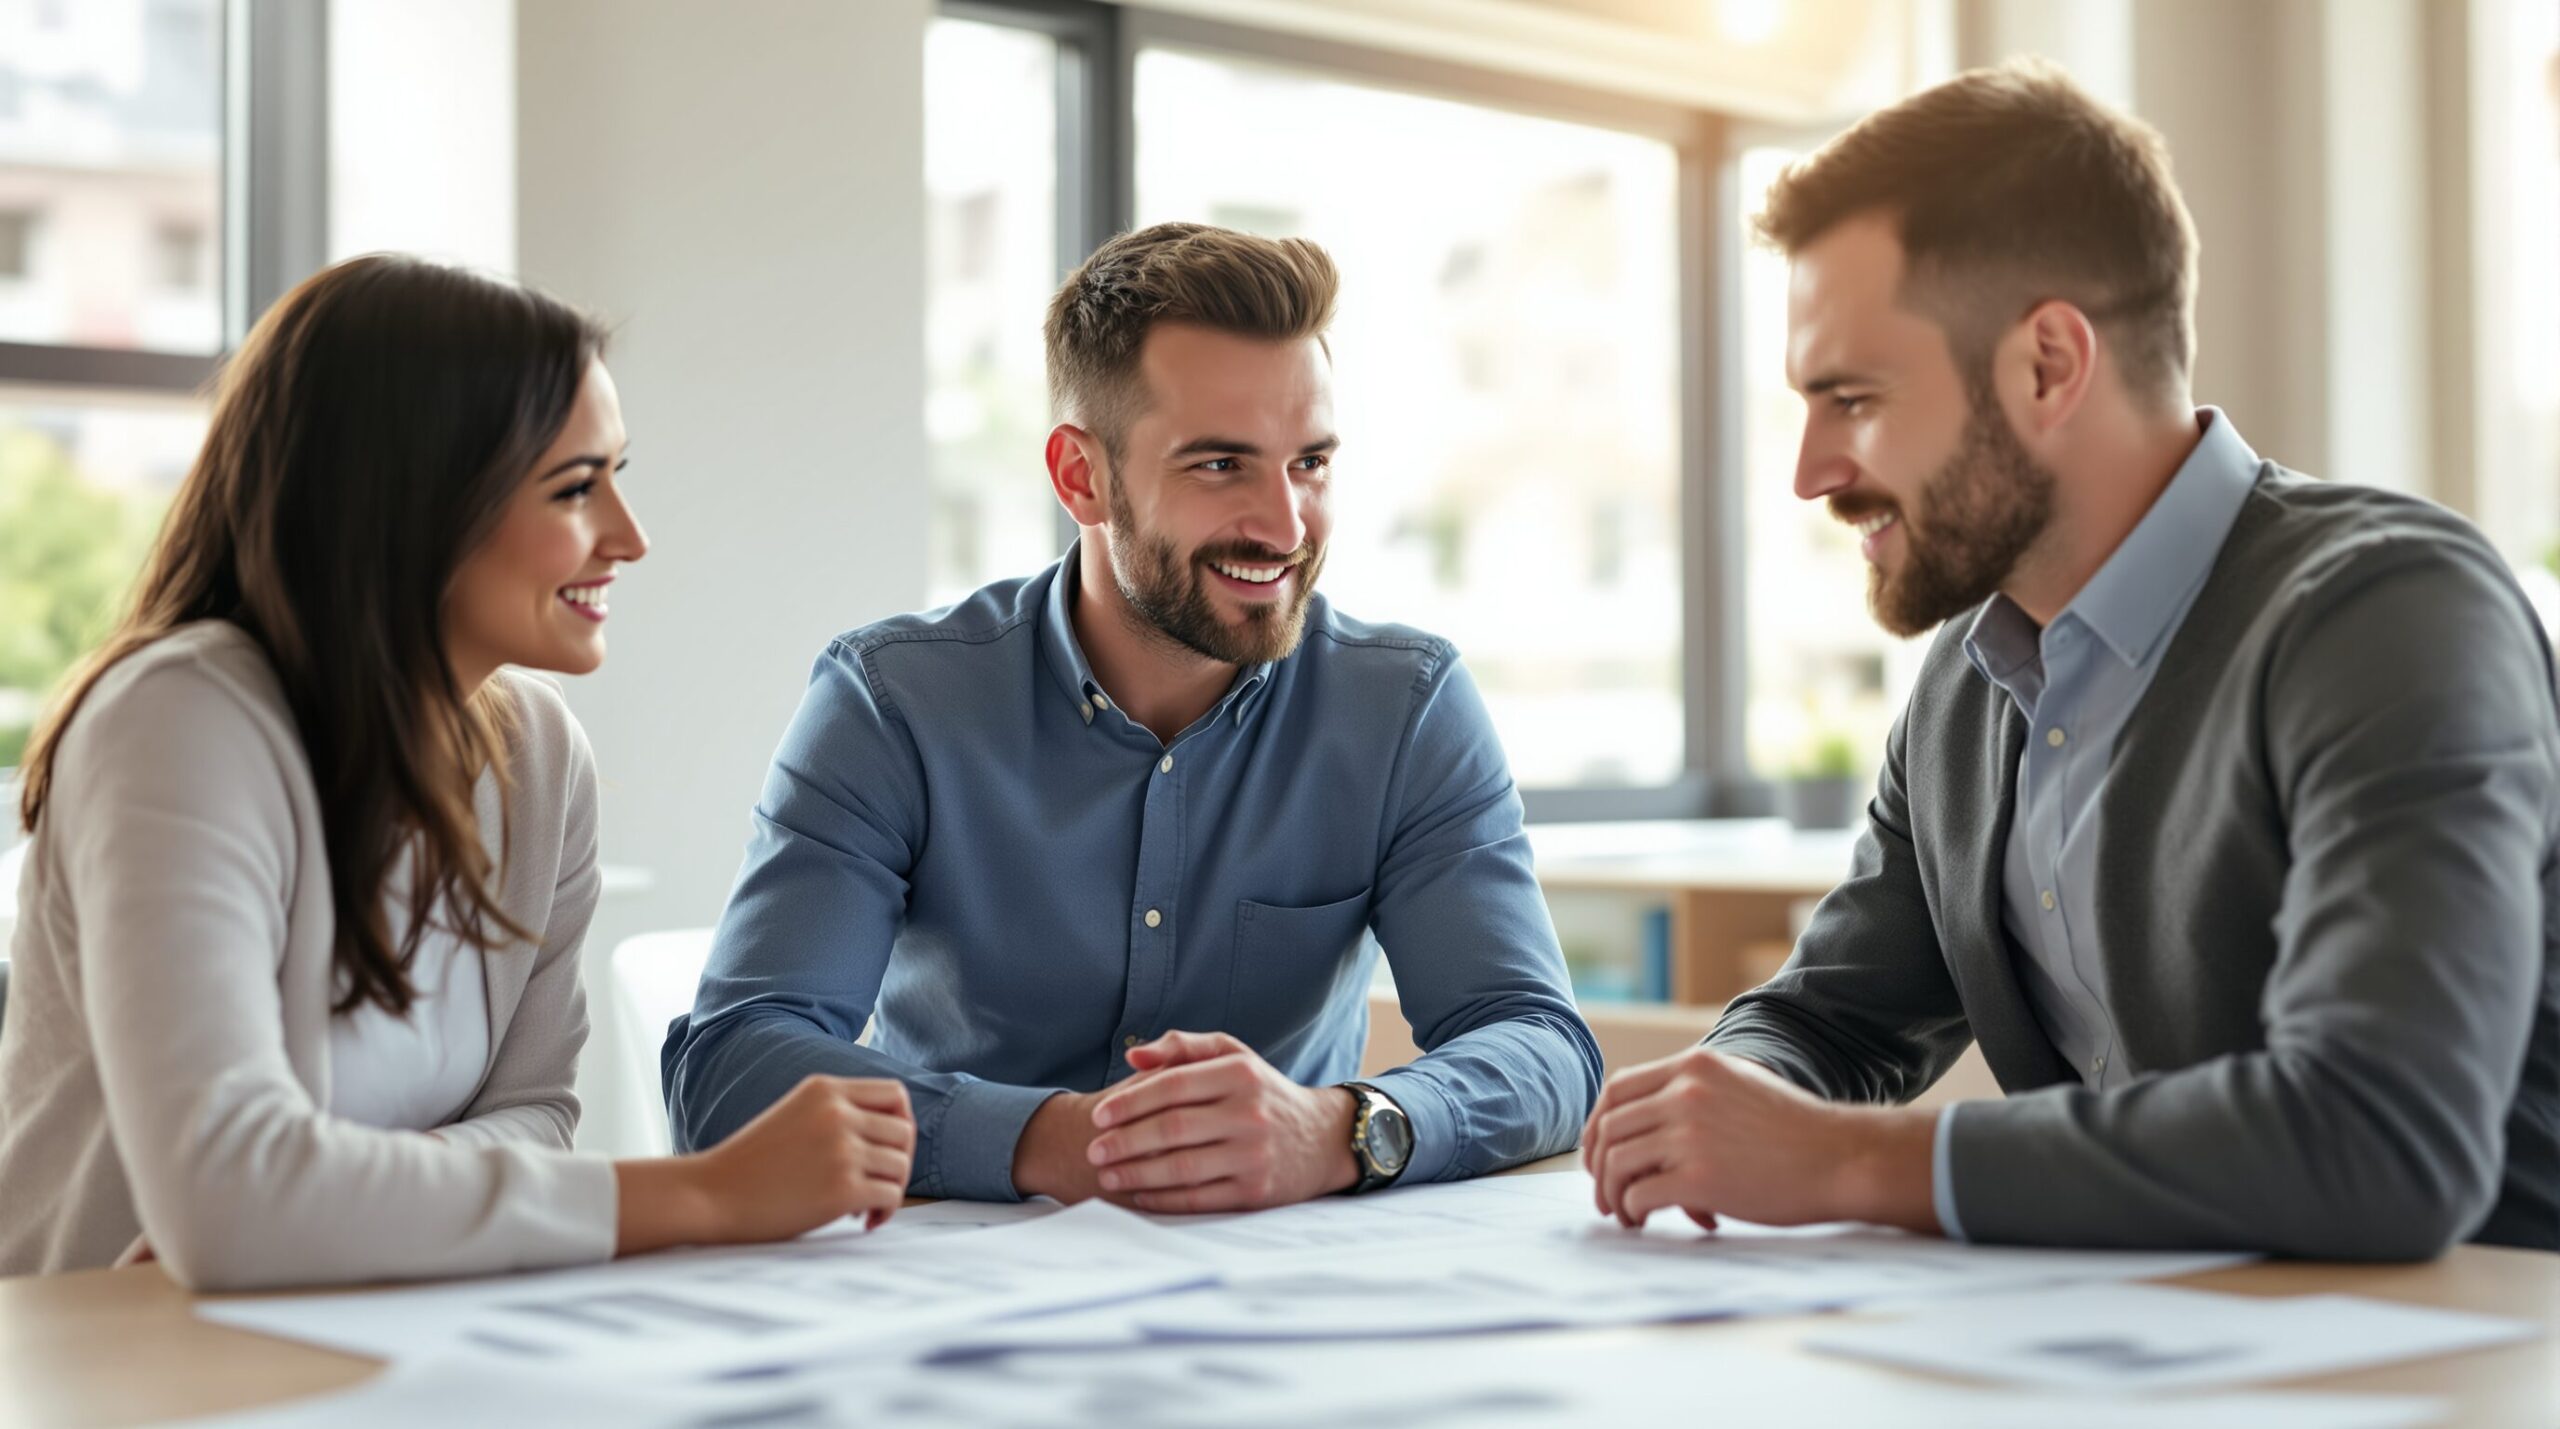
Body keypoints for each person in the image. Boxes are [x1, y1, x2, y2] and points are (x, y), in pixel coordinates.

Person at [1581, 60, 2559, 1259]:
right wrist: (1720, 1103)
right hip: (2161, 1352)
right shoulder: (1965, 687)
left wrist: (1839, 1160)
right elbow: (1833, 1023)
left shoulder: (2386, 613)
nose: (1812, 471)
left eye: (1853, 397)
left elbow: (2380, 1135)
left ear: (2048, 363)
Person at [0, 255, 916, 1291]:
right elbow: (230, 1198)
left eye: (620, 475)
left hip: (369, 1332)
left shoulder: (537, 751)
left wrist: (314, 1204)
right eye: (576, 487)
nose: (629, 537)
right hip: (120, 1364)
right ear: (413, 501)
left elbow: (535, 1115)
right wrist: (708, 1192)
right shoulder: (180, 719)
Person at [664, 223, 1600, 1210]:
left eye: (1310, 463)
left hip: (1285, 1285)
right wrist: (1058, 1141)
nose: (1285, 527)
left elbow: (1541, 1044)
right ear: (1080, 476)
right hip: (951, 1285)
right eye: (1219, 465)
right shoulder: (894, 703)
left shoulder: (1402, 706)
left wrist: (1337, 1130)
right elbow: (731, 1069)